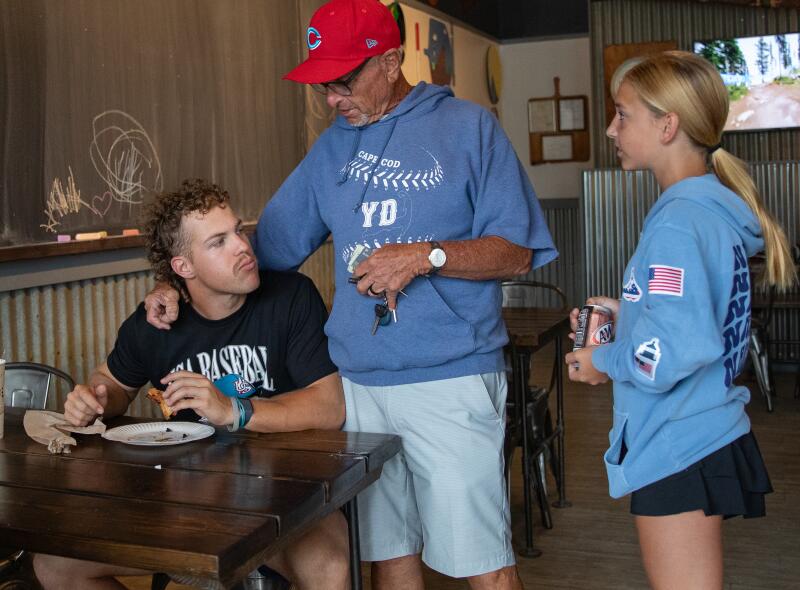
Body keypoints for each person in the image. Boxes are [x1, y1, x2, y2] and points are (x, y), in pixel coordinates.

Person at [145, 1, 557, 588]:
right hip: (359, 389)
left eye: (342, 81)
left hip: (450, 380)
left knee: (484, 567)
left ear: (390, 62)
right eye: (322, 85)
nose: (332, 98)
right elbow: (259, 251)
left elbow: (516, 250)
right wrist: (175, 278)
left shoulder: (469, 129)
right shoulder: (331, 151)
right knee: (388, 557)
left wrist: (425, 256)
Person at [33, 179, 350, 590]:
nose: (243, 246)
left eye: (238, 229)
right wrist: (93, 399)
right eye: (218, 242)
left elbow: (330, 405)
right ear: (183, 267)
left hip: (284, 496)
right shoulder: (156, 322)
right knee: (54, 565)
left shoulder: (291, 297)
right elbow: (110, 383)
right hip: (185, 502)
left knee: (330, 567)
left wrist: (235, 409)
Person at [565, 51, 797, 589]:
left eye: (623, 115)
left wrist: (602, 359)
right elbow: (695, 317)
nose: (610, 129)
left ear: (667, 125)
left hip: (678, 442)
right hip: (702, 430)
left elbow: (668, 353)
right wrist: (631, 314)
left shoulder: (678, 223)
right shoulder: (706, 210)